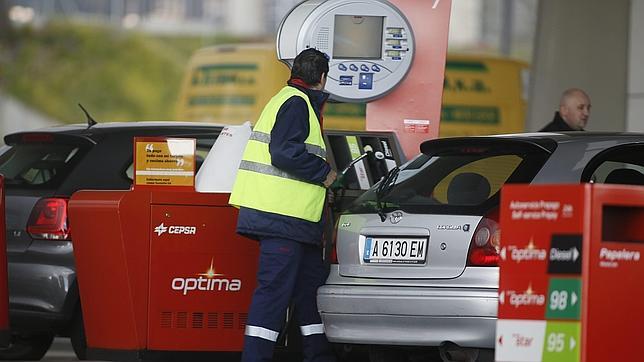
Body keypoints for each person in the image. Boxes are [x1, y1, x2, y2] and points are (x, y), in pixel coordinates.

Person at [229, 48, 337, 362]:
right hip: (282, 219)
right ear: (323, 78)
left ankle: (318, 355)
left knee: (308, 294)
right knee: (273, 293)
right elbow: (284, 153)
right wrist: (325, 175)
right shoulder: (295, 103)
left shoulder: (289, 99)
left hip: (296, 221)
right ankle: (255, 358)